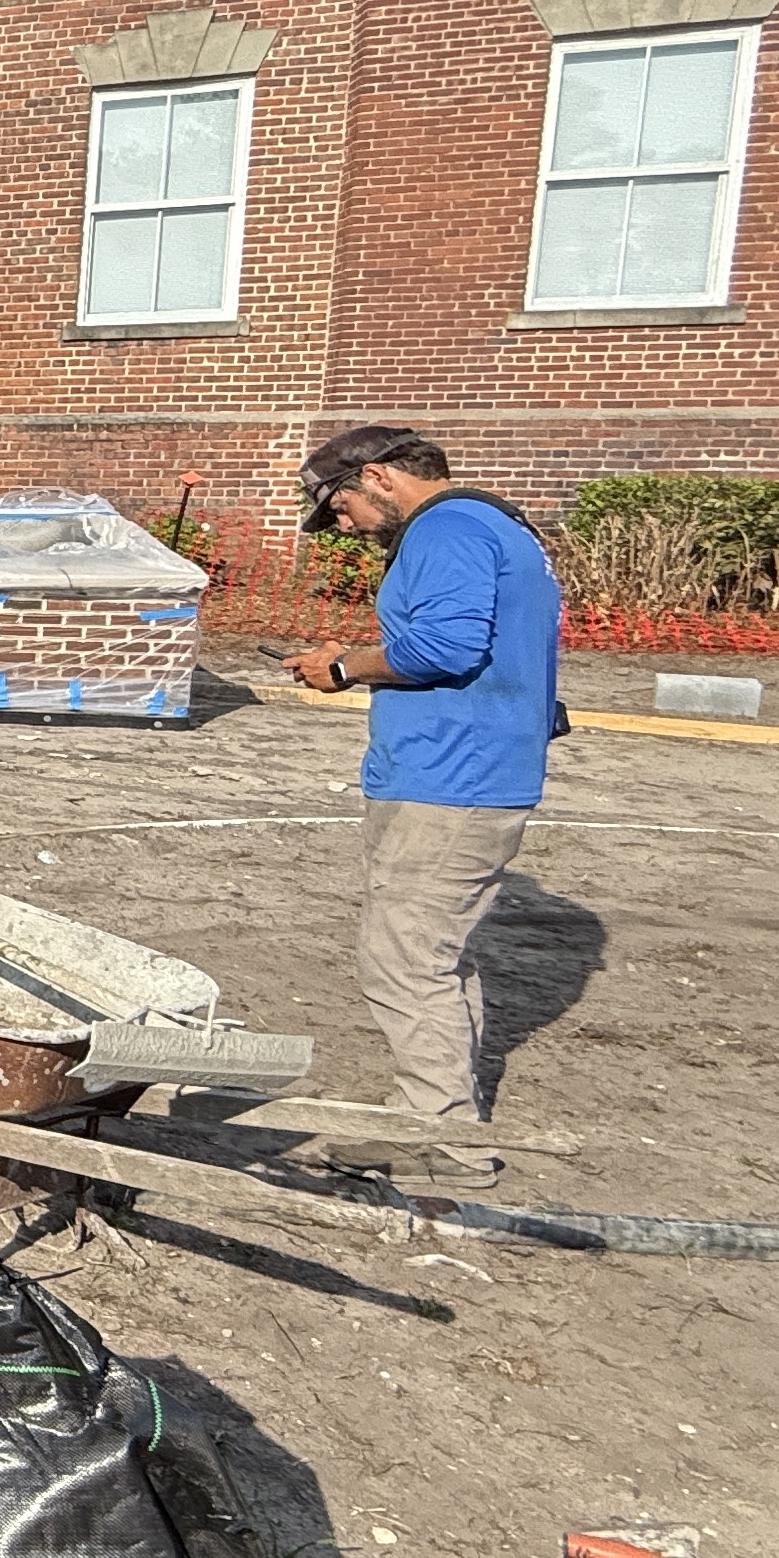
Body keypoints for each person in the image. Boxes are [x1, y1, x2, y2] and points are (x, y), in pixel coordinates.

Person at [282, 425, 566, 1122]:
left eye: (341, 506)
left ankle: (439, 1147)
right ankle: (437, 1120)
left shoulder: (447, 528)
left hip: (449, 778)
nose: (344, 525)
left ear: (377, 476)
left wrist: (344, 666)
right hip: (469, 772)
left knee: (404, 960)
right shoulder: (495, 525)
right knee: (436, 956)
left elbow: (444, 648)